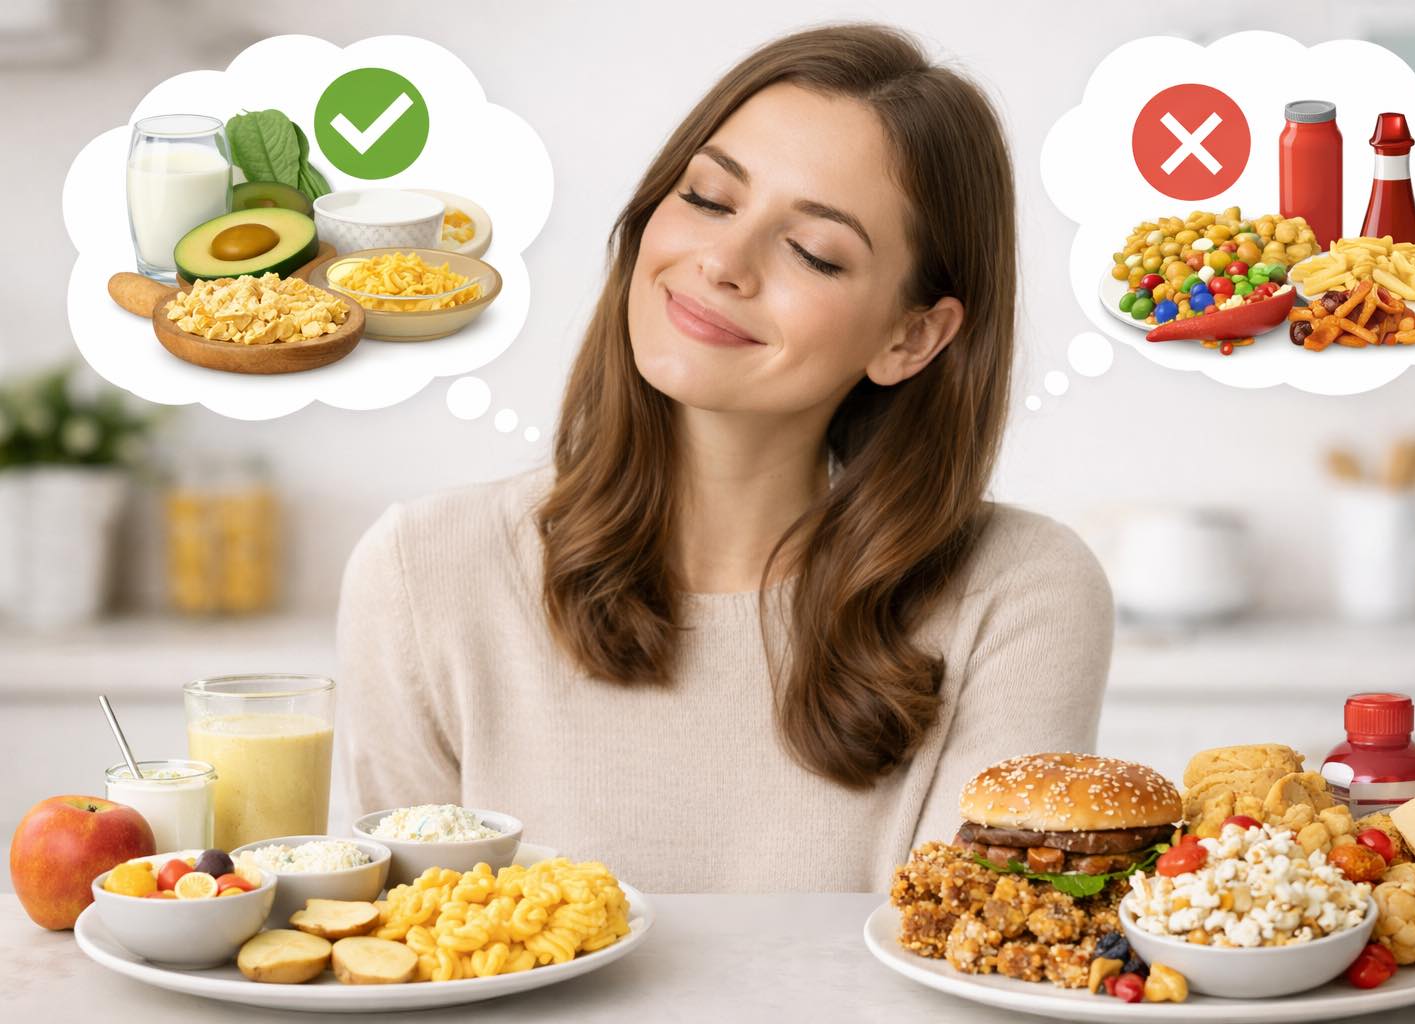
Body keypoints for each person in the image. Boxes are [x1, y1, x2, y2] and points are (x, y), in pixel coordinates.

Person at [337, 23, 1112, 892]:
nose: (722, 262)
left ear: (911, 337)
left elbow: (968, 948)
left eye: (814, 252)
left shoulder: (1020, 595)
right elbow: (399, 951)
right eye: (708, 198)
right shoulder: (424, 572)